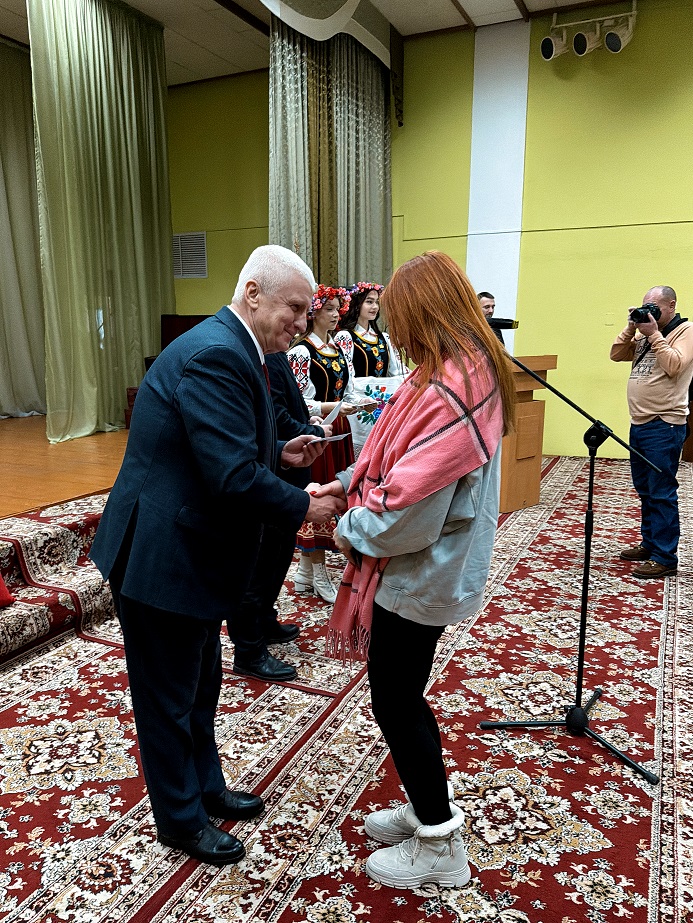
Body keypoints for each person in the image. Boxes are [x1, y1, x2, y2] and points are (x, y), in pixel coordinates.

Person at [90, 245, 345, 866]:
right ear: (253, 292)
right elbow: (229, 476)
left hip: (190, 550)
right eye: (294, 308)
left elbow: (216, 447)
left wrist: (278, 454)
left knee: (200, 683)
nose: (302, 322)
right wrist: (303, 505)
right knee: (168, 698)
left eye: (306, 311)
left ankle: (206, 787)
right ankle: (180, 819)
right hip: (162, 557)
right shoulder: (217, 353)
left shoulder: (236, 346)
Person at [316, 251, 515, 890]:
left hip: (420, 570)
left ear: (422, 311)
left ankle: (439, 842)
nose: (392, 328)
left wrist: (346, 525)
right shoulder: (464, 368)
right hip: (429, 566)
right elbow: (394, 455)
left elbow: (408, 514)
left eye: (398, 314)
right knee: (405, 695)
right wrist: (345, 482)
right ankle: (427, 805)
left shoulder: (448, 388)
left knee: (396, 701)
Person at [227, 350, 332, 682]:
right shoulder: (265, 357)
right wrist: (310, 430)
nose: (298, 326)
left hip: (286, 472)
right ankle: (248, 650)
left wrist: (308, 425)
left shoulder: (276, 355)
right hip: (272, 482)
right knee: (260, 567)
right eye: (293, 320)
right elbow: (277, 417)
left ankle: (264, 621)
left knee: (277, 558)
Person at [610, 285, 693, 579]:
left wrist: (654, 334)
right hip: (640, 422)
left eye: (655, 307)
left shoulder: (685, 331)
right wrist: (631, 327)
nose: (650, 311)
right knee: (645, 489)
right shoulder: (645, 334)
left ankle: (665, 557)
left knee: (661, 492)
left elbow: (675, 365)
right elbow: (616, 354)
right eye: (646, 306)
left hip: (664, 423)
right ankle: (650, 544)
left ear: (671, 305)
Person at [288, 284, 356, 603]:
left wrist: (355, 403)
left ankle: (305, 572)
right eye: (329, 309)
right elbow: (300, 401)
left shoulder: (339, 347)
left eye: (337, 309)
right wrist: (334, 406)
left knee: (335, 494)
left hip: (340, 427)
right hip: (318, 428)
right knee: (317, 495)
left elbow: (348, 388)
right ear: (314, 313)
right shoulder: (302, 352)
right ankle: (318, 571)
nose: (335, 314)